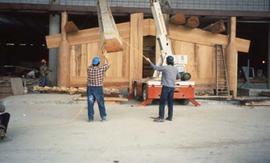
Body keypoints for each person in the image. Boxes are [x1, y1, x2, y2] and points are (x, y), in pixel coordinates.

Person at [145, 56, 180, 122]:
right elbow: (178, 77)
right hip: (172, 88)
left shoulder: (165, 67)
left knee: (162, 102)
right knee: (170, 103)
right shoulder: (175, 69)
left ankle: (161, 117)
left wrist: (149, 61)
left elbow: (155, 67)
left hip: (166, 87)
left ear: (166, 61)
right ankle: (170, 117)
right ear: (172, 61)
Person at [87, 55, 110, 122]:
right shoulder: (101, 69)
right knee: (101, 103)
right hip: (98, 88)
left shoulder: (89, 69)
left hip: (90, 88)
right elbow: (108, 64)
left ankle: (90, 118)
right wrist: (106, 56)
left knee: (90, 103)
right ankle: (103, 117)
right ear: (99, 63)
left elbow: (90, 66)